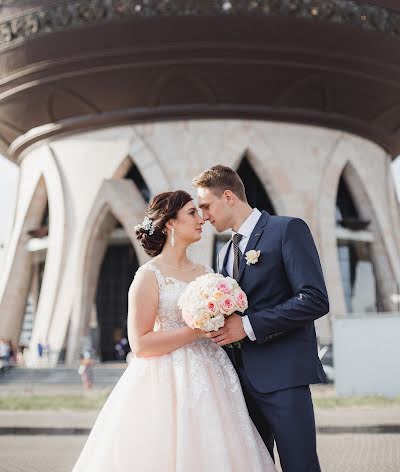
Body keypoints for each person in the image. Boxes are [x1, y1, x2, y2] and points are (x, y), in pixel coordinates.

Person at [72, 190, 276, 471]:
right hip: (164, 380)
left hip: (213, 376)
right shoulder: (148, 276)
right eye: (192, 213)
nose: (201, 219)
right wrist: (195, 331)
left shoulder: (207, 273)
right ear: (170, 223)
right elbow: (141, 344)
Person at [193, 164, 330, 472]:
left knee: (300, 465)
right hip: (239, 382)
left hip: (283, 377)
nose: (203, 216)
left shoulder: (287, 229)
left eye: (206, 206)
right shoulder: (224, 252)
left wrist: (249, 326)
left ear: (228, 196)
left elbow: (315, 299)